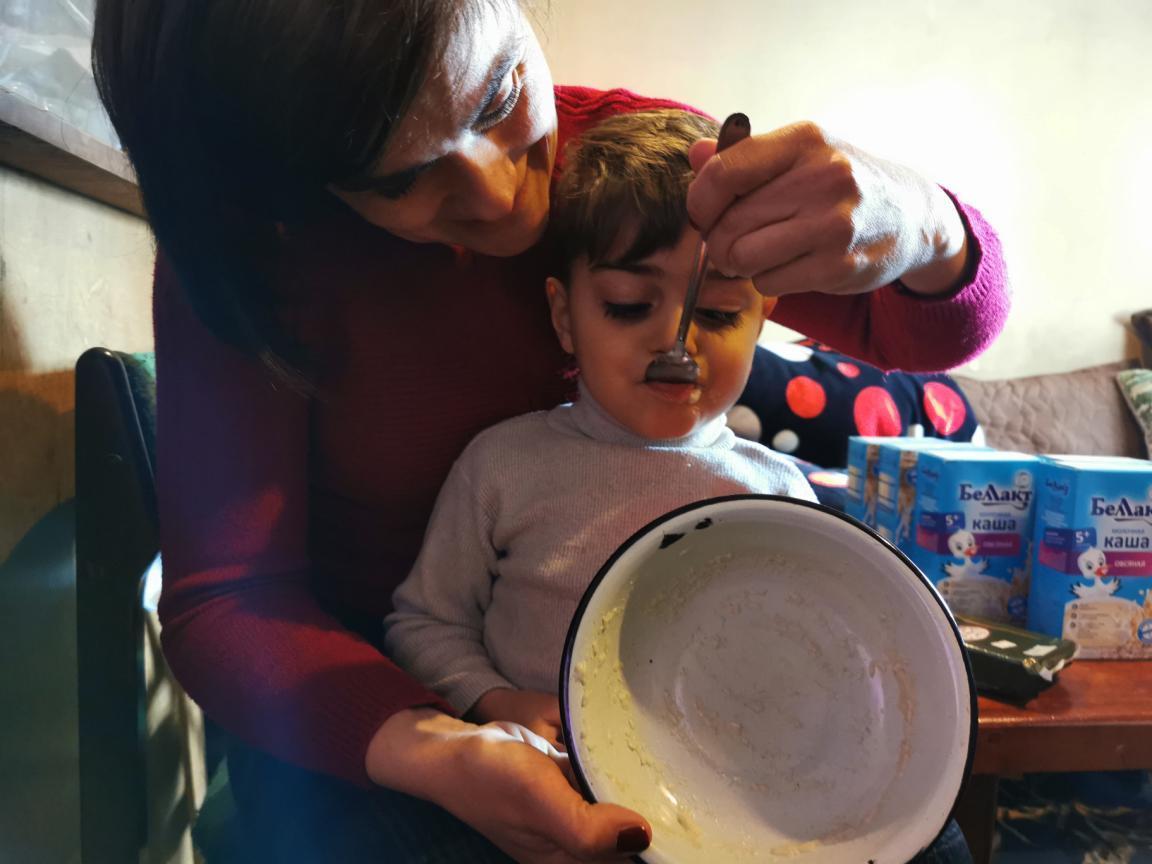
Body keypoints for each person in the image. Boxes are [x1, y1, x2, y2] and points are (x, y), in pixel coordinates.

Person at [92, 0, 1004, 860]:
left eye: (498, 93)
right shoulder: (256, 252)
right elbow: (229, 603)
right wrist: (437, 740)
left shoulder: (634, 174)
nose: (496, 195)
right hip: (367, 710)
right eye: (400, 179)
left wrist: (921, 219)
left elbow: (938, 327)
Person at [384, 110, 816, 748]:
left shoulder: (781, 495)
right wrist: (495, 698)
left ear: (761, 320)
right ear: (565, 317)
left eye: (720, 313)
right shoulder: (503, 465)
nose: (676, 339)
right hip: (538, 772)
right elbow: (424, 625)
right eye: (627, 305)